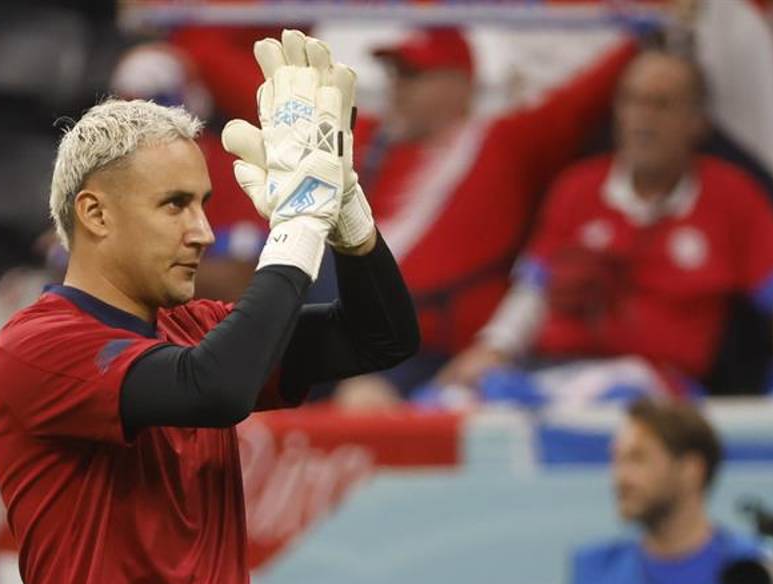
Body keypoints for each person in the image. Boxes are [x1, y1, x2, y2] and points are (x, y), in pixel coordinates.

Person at [0, 31, 419, 584]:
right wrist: (296, 226)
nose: (203, 232)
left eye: (204, 204)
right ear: (96, 213)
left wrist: (349, 220)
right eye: (175, 205)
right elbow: (214, 389)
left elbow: (381, 337)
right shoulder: (36, 346)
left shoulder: (197, 327)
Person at [176, 26, 639, 405]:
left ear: (461, 83)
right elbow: (245, 83)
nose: (397, 85)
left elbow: (583, 99)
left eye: (414, 74)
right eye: (394, 72)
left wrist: (642, 32)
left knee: (351, 393)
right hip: (338, 331)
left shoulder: (505, 143)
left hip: (430, 350)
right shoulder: (367, 137)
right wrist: (178, 22)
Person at [441, 51, 773, 393]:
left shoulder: (730, 194)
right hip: (553, 373)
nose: (642, 118)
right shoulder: (577, 188)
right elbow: (533, 290)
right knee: (448, 400)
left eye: (661, 104)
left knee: (610, 393)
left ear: (697, 121)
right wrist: (494, 347)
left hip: (658, 388)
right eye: (631, 101)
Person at [563, 398, 760, 584]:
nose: (619, 477)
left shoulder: (754, 572)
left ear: (691, 470)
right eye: (616, 460)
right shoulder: (596, 571)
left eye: (637, 458)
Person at [110, 41, 268, 302]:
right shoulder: (106, 173)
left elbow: (241, 279)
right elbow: (72, 267)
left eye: (158, 106)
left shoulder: (233, 167)